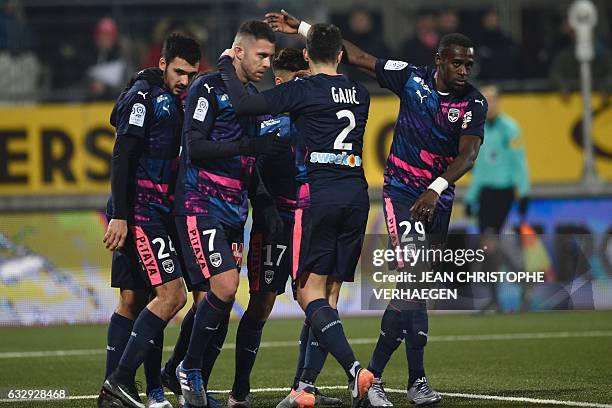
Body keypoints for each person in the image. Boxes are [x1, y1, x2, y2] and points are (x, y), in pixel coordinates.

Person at [265, 10, 487, 407]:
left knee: (415, 288)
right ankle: (381, 378)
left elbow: (468, 155)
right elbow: (357, 56)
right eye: (457, 62)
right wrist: (302, 29)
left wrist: (437, 187)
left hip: (436, 197)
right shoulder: (411, 77)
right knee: (413, 280)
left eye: (469, 64)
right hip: (403, 191)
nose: (463, 70)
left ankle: (396, 378)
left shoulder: (473, 103)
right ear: (439, 60)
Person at [218, 22, 374, 408]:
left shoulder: (301, 95)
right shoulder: (356, 92)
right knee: (280, 301)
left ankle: (321, 381)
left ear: (306, 59)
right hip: (328, 203)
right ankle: (251, 389)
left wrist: (225, 66)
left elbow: (248, 105)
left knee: (312, 296)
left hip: (312, 205)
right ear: (339, 55)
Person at [172, 20, 288, 408]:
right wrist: (249, 143)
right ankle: (187, 369)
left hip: (234, 211)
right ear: (237, 51)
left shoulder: (251, 97)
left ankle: (188, 380)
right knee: (222, 289)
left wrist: (263, 202)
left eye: (271, 56)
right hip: (200, 204)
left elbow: (250, 159)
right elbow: (197, 147)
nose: (268, 63)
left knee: (218, 300)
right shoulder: (206, 86)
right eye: (262, 55)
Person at [228, 47, 341, 408]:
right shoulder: (260, 115)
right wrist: (265, 209)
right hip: (274, 223)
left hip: (311, 219)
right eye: (299, 80)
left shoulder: (316, 114)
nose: (307, 87)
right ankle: (239, 393)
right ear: (280, 81)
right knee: (261, 304)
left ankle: (301, 389)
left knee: (317, 301)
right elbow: (250, 169)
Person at [97, 32, 201, 408]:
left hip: (157, 212)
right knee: (170, 295)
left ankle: (112, 393)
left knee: (134, 298)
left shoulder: (172, 97)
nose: (184, 81)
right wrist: (121, 216)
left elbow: (114, 114)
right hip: (140, 211)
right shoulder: (146, 95)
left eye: (191, 74)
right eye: (178, 72)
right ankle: (120, 381)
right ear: (163, 64)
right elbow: (122, 154)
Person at [465, 85, 529, 233]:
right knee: (485, 239)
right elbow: (478, 168)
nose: (488, 104)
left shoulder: (510, 129)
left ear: (498, 101)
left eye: (491, 100)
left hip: (505, 192)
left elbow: (518, 162)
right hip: (484, 192)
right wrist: (470, 198)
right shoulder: (475, 129)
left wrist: (524, 193)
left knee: (499, 236)